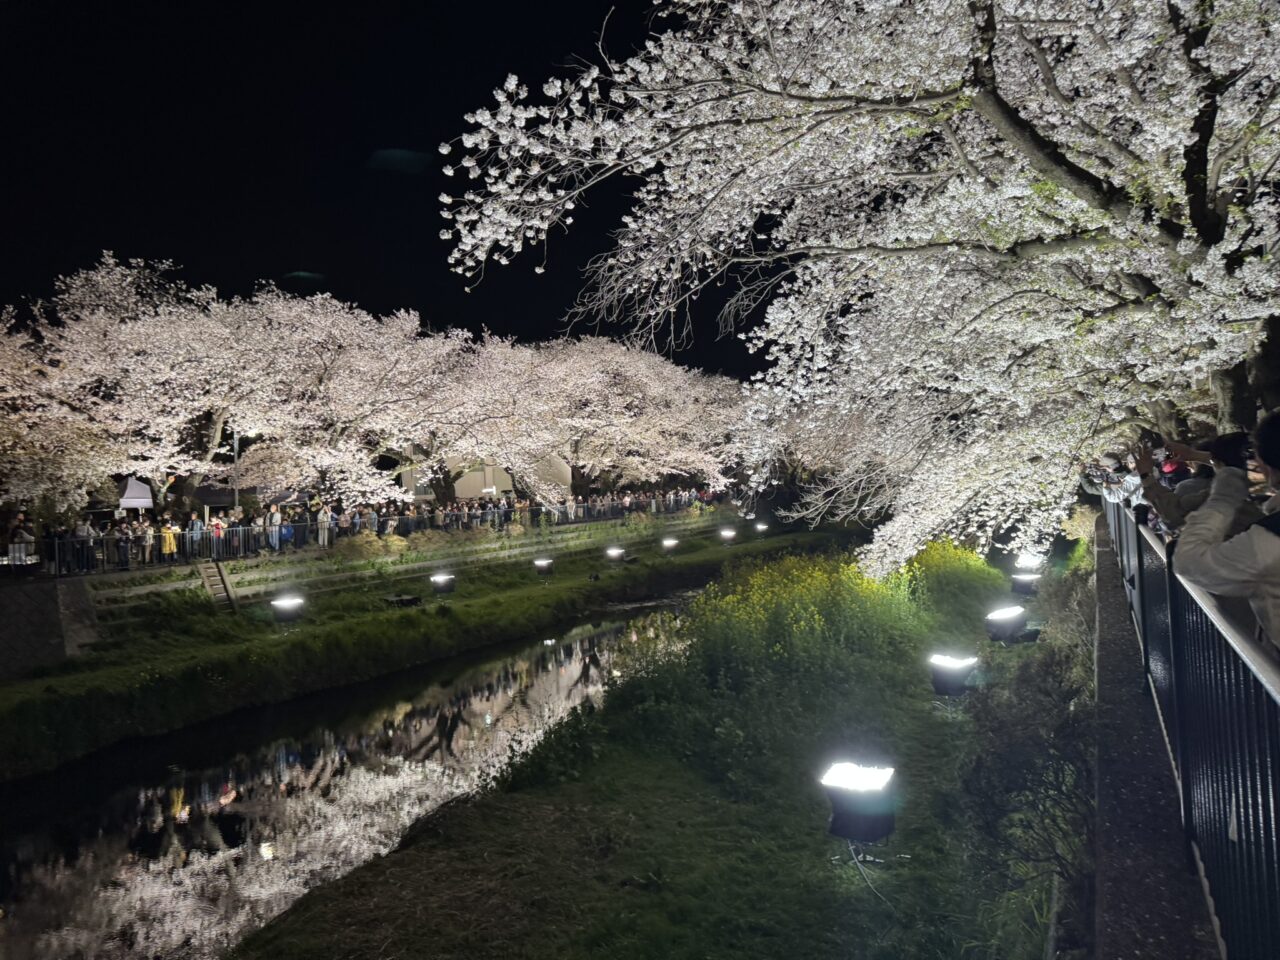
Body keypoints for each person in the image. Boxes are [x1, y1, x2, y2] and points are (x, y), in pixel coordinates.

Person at [1177, 414, 1280, 646]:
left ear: (1266, 467)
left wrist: (1223, 498)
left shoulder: (1268, 539)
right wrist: (1195, 455)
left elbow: (1189, 561)